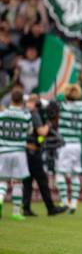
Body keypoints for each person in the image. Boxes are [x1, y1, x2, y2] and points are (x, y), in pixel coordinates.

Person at [22, 94, 68, 217]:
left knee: (28, 181)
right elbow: (41, 132)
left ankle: (26, 208)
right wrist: (49, 122)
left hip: (25, 150)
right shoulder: (34, 114)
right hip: (33, 152)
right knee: (42, 180)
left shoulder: (24, 112)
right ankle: (50, 208)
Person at [55, 84, 82, 214]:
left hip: (64, 144)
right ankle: (74, 202)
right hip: (77, 144)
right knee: (76, 174)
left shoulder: (63, 106)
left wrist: (61, 96)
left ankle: (65, 202)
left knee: (60, 173)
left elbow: (50, 102)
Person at [0, 89, 32, 221]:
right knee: (18, 182)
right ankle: (16, 212)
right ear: (22, 100)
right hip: (19, 151)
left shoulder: (2, 114)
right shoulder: (26, 115)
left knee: (2, 180)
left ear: (11, 99)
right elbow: (30, 131)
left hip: (4, 151)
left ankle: (0, 199)